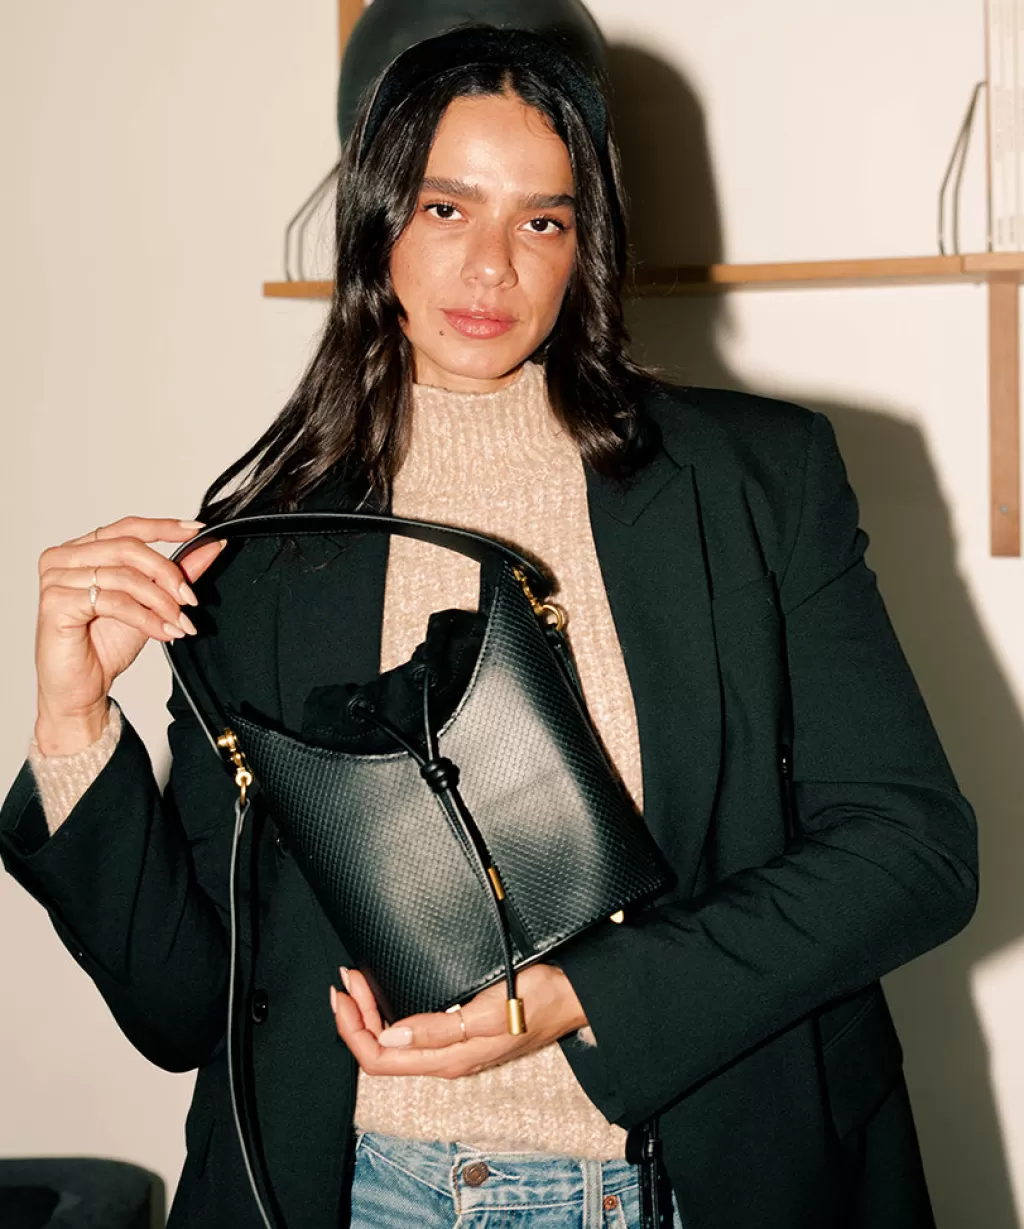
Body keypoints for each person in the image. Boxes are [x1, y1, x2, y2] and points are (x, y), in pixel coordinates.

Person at [0, 24, 978, 1229]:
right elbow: (186, 1006)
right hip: (369, 1193)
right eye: (445, 207)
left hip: (696, 1180)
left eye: (542, 220)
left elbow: (912, 852)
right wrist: (71, 721)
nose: (490, 268)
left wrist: (583, 995)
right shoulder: (261, 551)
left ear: (587, 244)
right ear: (376, 224)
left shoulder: (755, 482)